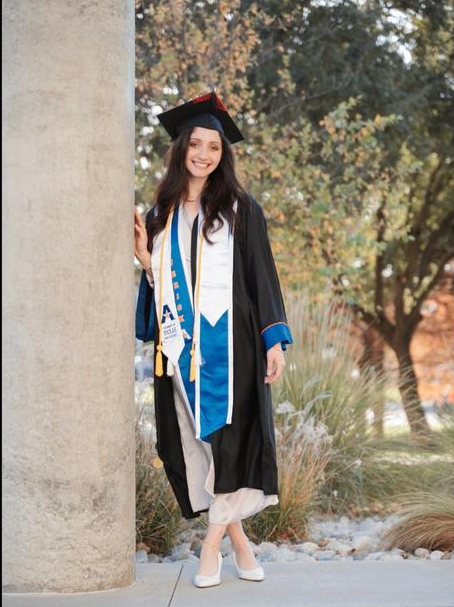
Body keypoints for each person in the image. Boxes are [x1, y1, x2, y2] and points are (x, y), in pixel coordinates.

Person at [133, 91, 293, 588]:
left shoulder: (241, 209)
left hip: (235, 347)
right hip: (180, 349)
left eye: (214, 147)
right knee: (200, 445)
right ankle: (240, 544)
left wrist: (273, 341)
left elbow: (262, 278)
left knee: (229, 442)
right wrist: (144, 259)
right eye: (195, 144)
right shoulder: (159, 213)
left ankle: (209, 548)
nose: (204, 154)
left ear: (224, 155)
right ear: (180, 148)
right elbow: (162, 285)